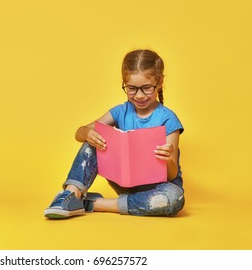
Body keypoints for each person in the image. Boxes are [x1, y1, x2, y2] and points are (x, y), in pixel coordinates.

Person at [44, 49, 185, 219]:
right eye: (131, 88)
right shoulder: (120, 112)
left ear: (159, 82)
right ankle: (71, 195)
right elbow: (79, 133)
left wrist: (169, 159)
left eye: (147, 88)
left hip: (158, 190)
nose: (139, 95)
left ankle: (94, 204)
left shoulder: (168, 118)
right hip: (126, 183)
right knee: (92, 142)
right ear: (125, 83)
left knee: (175, 197)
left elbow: (171, 175)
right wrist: (88, 133)